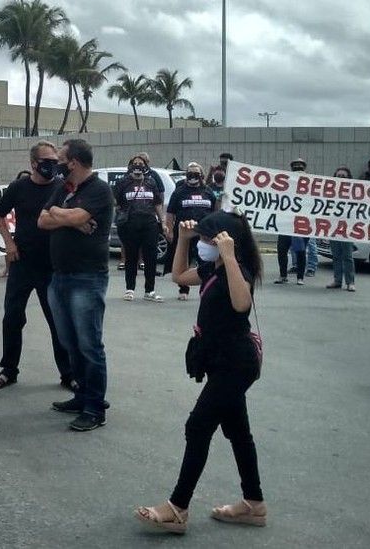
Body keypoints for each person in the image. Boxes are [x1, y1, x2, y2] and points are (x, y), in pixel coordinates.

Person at [136, 210, 266, 534]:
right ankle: (254, 503)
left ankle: (177, 507)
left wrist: (229, 256)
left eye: (209, 239)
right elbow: (179, 276)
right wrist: (183, 239)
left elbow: (241, 304)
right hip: (220, 361)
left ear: (227, 243)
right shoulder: (211, 269)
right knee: (238, 432)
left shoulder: (237, 270)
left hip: (236, 364)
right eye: (204, 238)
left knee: (197, 427)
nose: (204, 244)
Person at [39, 138, 115, 432]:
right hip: (59, 277)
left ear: (73, 162)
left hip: (87, 279)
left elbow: (79, 216)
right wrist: (67, 218)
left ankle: (95, 408)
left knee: (89, 344)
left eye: (60, 159)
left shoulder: (99, 189)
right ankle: (82, 395)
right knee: (69, 342)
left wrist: (62, 215)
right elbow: (41, 221)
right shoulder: (63, 188)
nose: (56, 164)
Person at [0, 141, 73, 391]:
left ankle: (68, 373)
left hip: (52, 265)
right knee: (12, 318)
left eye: (55, 161)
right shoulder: (19, 187)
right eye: (47, 161)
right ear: (33, 163)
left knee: (58, 321)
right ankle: (9, 370)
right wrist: (9, 243)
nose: (52, 166)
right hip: (22, 263)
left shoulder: (62, 187)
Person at [115, 152, 168, 302]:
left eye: (141, 164)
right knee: (131, 257)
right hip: (130, 225)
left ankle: (149, 290)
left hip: (149, 224)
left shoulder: (151, 182)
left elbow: (157, 203)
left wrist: (163, 222)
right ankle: (130, 289)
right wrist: (123, 210)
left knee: (150, 258)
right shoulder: (123, 182)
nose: (138, 166)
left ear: (146, 167)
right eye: (135, 164)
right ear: (130, 166)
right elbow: (115, 201)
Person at [165, 162, 218, 300]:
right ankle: (183, 290)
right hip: (185, 233)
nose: (193, 176)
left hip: (204, 234)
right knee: (184, 261)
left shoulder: (208, 191)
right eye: (190, 173)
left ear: (202, 176)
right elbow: (170, 213)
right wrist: (169, 230)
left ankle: (205, 289)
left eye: (196, 174)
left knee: (205, 261)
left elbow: (215, 211)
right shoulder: (179, 192)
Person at [275, 158, 309, 285]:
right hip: (286, 223)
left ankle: (300, 277)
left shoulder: (310, 183)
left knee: (300, 251)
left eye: (300, 165)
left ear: (304, 168)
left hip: (301, 223)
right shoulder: (286, 183)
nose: (297, 167)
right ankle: (283, 275)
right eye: (295, 165)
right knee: (281, 249)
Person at [326, 166, 357, 292]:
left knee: (347, 256)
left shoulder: (354, 192)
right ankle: (337, 280)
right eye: (338, 176)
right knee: (336, 255)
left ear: (348, 178)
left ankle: (350, 282)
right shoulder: (330, 191)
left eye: (343, 176)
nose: (340, 178)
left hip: (347, 227)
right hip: (333, 227)